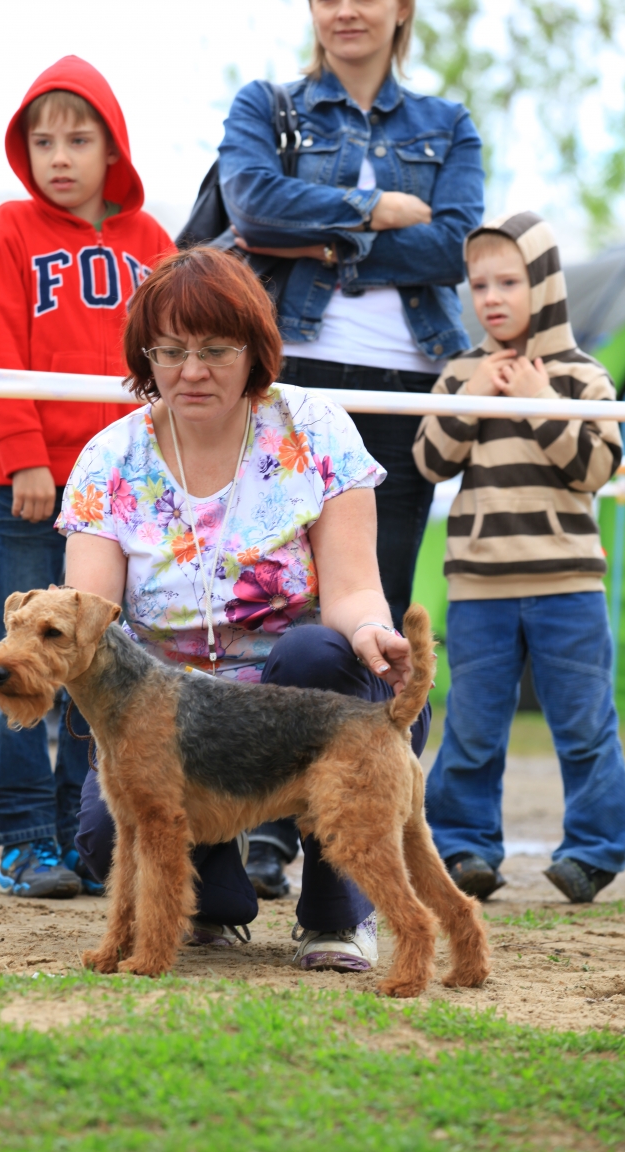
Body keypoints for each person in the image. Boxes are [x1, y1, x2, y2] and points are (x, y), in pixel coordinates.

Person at [57, 247, 431, 970]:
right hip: (172, 723)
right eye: (170, 351)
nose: (191, 370)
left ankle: (333, 915)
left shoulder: (316, 429)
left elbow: (354, 587)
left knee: (316, 650)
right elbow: (89, 620)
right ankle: (218, 902)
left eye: (214, 350)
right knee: (109, 833)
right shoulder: (109, 458)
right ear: (146, 354)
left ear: (254, 350)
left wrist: (372, 631)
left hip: (303, 703)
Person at [216, 0, 484, 896]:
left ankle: (379, 842)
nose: (345, 9)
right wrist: (376, 209)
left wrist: (324, 239)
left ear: (402, 8)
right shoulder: (265, 104)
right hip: (291, 383)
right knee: (278, 607)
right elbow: (250, 202)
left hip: (406, 394)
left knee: (386, 624)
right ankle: (270, 825)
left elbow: (455, 246)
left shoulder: (448, 124)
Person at [0, 56, 175, 899]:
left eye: (78, 138)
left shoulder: (152, 241)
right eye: (42, 140)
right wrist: (20, 450)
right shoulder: (11, 229)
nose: (60, 154)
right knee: (18, 661)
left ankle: (82, 835)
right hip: (36, 484)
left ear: (111, 147)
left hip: (121, 499)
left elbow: (172, 357)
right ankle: (24, 838)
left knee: (101, 665)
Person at [413, 211, 625, 905]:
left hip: (569, 586)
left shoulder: (584, 377)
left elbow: (595, 469)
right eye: (479, 284)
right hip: (479, 588)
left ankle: (592, 853)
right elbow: (429, 461)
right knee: (473, 729)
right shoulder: (460, 375)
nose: (493, 296)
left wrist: (540, 403)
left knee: (584, 726)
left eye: (510, 280)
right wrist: (475, 396)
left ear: (544, 284)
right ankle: (466, 847)